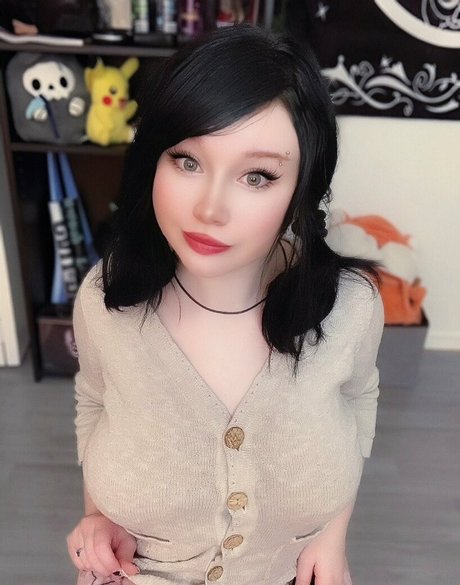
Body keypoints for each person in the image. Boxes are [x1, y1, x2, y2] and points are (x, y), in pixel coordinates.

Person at [66, 23, 384, 585]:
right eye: (187, 161)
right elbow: (94, 400)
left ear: (302, 189)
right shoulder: (105, 298)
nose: (209, 209)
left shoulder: (349, 308)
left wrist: (332, 536)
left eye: (257, 176)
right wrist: (97, 515)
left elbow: (357, 402)